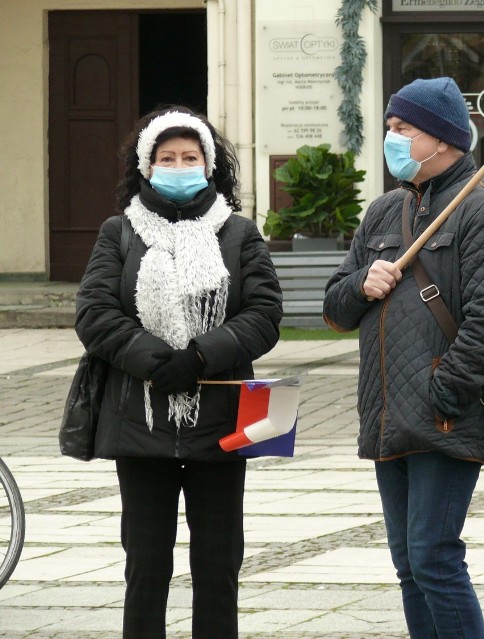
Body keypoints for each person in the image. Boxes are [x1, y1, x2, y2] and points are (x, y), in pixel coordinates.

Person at [323, 77, 484, 638]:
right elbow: (335, 309)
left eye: (403, 129)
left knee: (435, 557)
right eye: (389, 127)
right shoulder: (385, 212)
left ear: (442, 139)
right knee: (409, 566)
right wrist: (362, 284)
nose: (392, 139)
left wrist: (444, 392)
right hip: (388, 415)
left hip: (443, 413)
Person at [75, 106, 283, 638]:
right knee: (146, 567)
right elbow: (95, 313)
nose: (178, 165)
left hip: (221, 422)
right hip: (138, 423)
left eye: (190, 156)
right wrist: (153, 360)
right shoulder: (118, 232)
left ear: (208, 165)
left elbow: (263, 315)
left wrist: (199, 357)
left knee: (218, 568)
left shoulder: (238, 234)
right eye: (167, 157)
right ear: (146, 166)